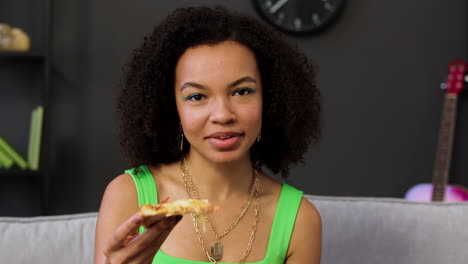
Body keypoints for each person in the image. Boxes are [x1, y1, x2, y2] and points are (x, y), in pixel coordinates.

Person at [94, 5, 322, 264]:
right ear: (172, 107)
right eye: (197, 96)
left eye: (242, 92)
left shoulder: (299, 220)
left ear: (270, 99)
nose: (223, 114)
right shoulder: (128, 196)